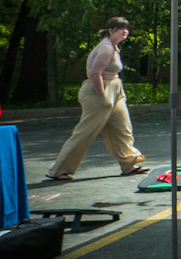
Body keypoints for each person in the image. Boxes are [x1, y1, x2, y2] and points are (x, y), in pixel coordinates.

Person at [46, 17, 148, 181]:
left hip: (115, 89)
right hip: (98, 91)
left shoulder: (114, 47)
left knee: (122, 128)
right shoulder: (106, 48)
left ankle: (129, 165)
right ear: (111, 30)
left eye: (127, 28)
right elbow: (94, 74)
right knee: (85, 132)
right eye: (120, 28)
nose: (125, 31)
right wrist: (102, 96)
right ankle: (59, 170)